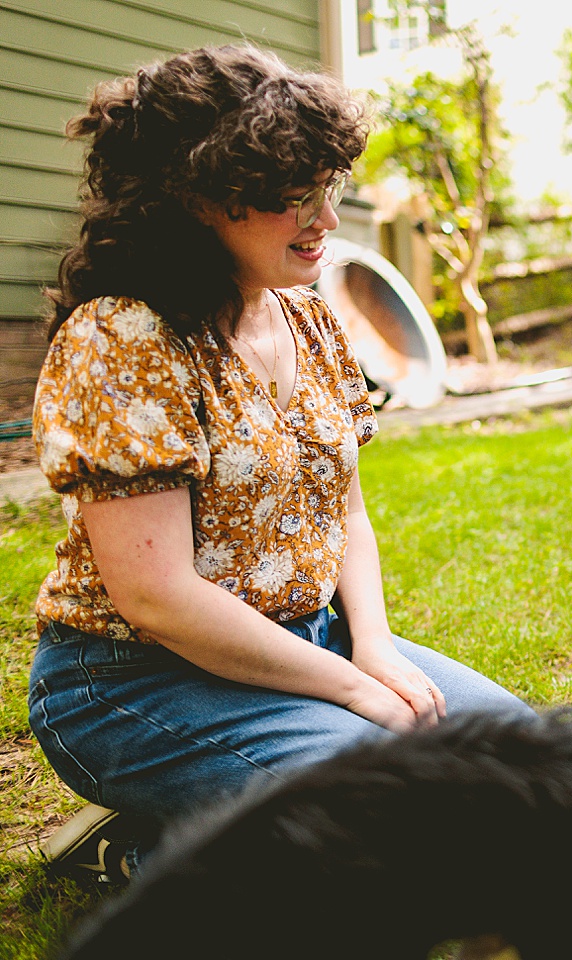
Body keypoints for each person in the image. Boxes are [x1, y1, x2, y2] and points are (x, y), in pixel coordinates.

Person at [29, 45, 529, 882]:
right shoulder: (123, 337)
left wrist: (371, 648)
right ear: (193, 200)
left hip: (310, 641)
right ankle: (152, 851)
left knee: (533, 769)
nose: (326, 218)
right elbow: (157, 597)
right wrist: (354, 695)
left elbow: (348, 513)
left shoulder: (310, 318)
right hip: (135, 680)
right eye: (293, 196)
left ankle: (241, 804)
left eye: (327, 186)